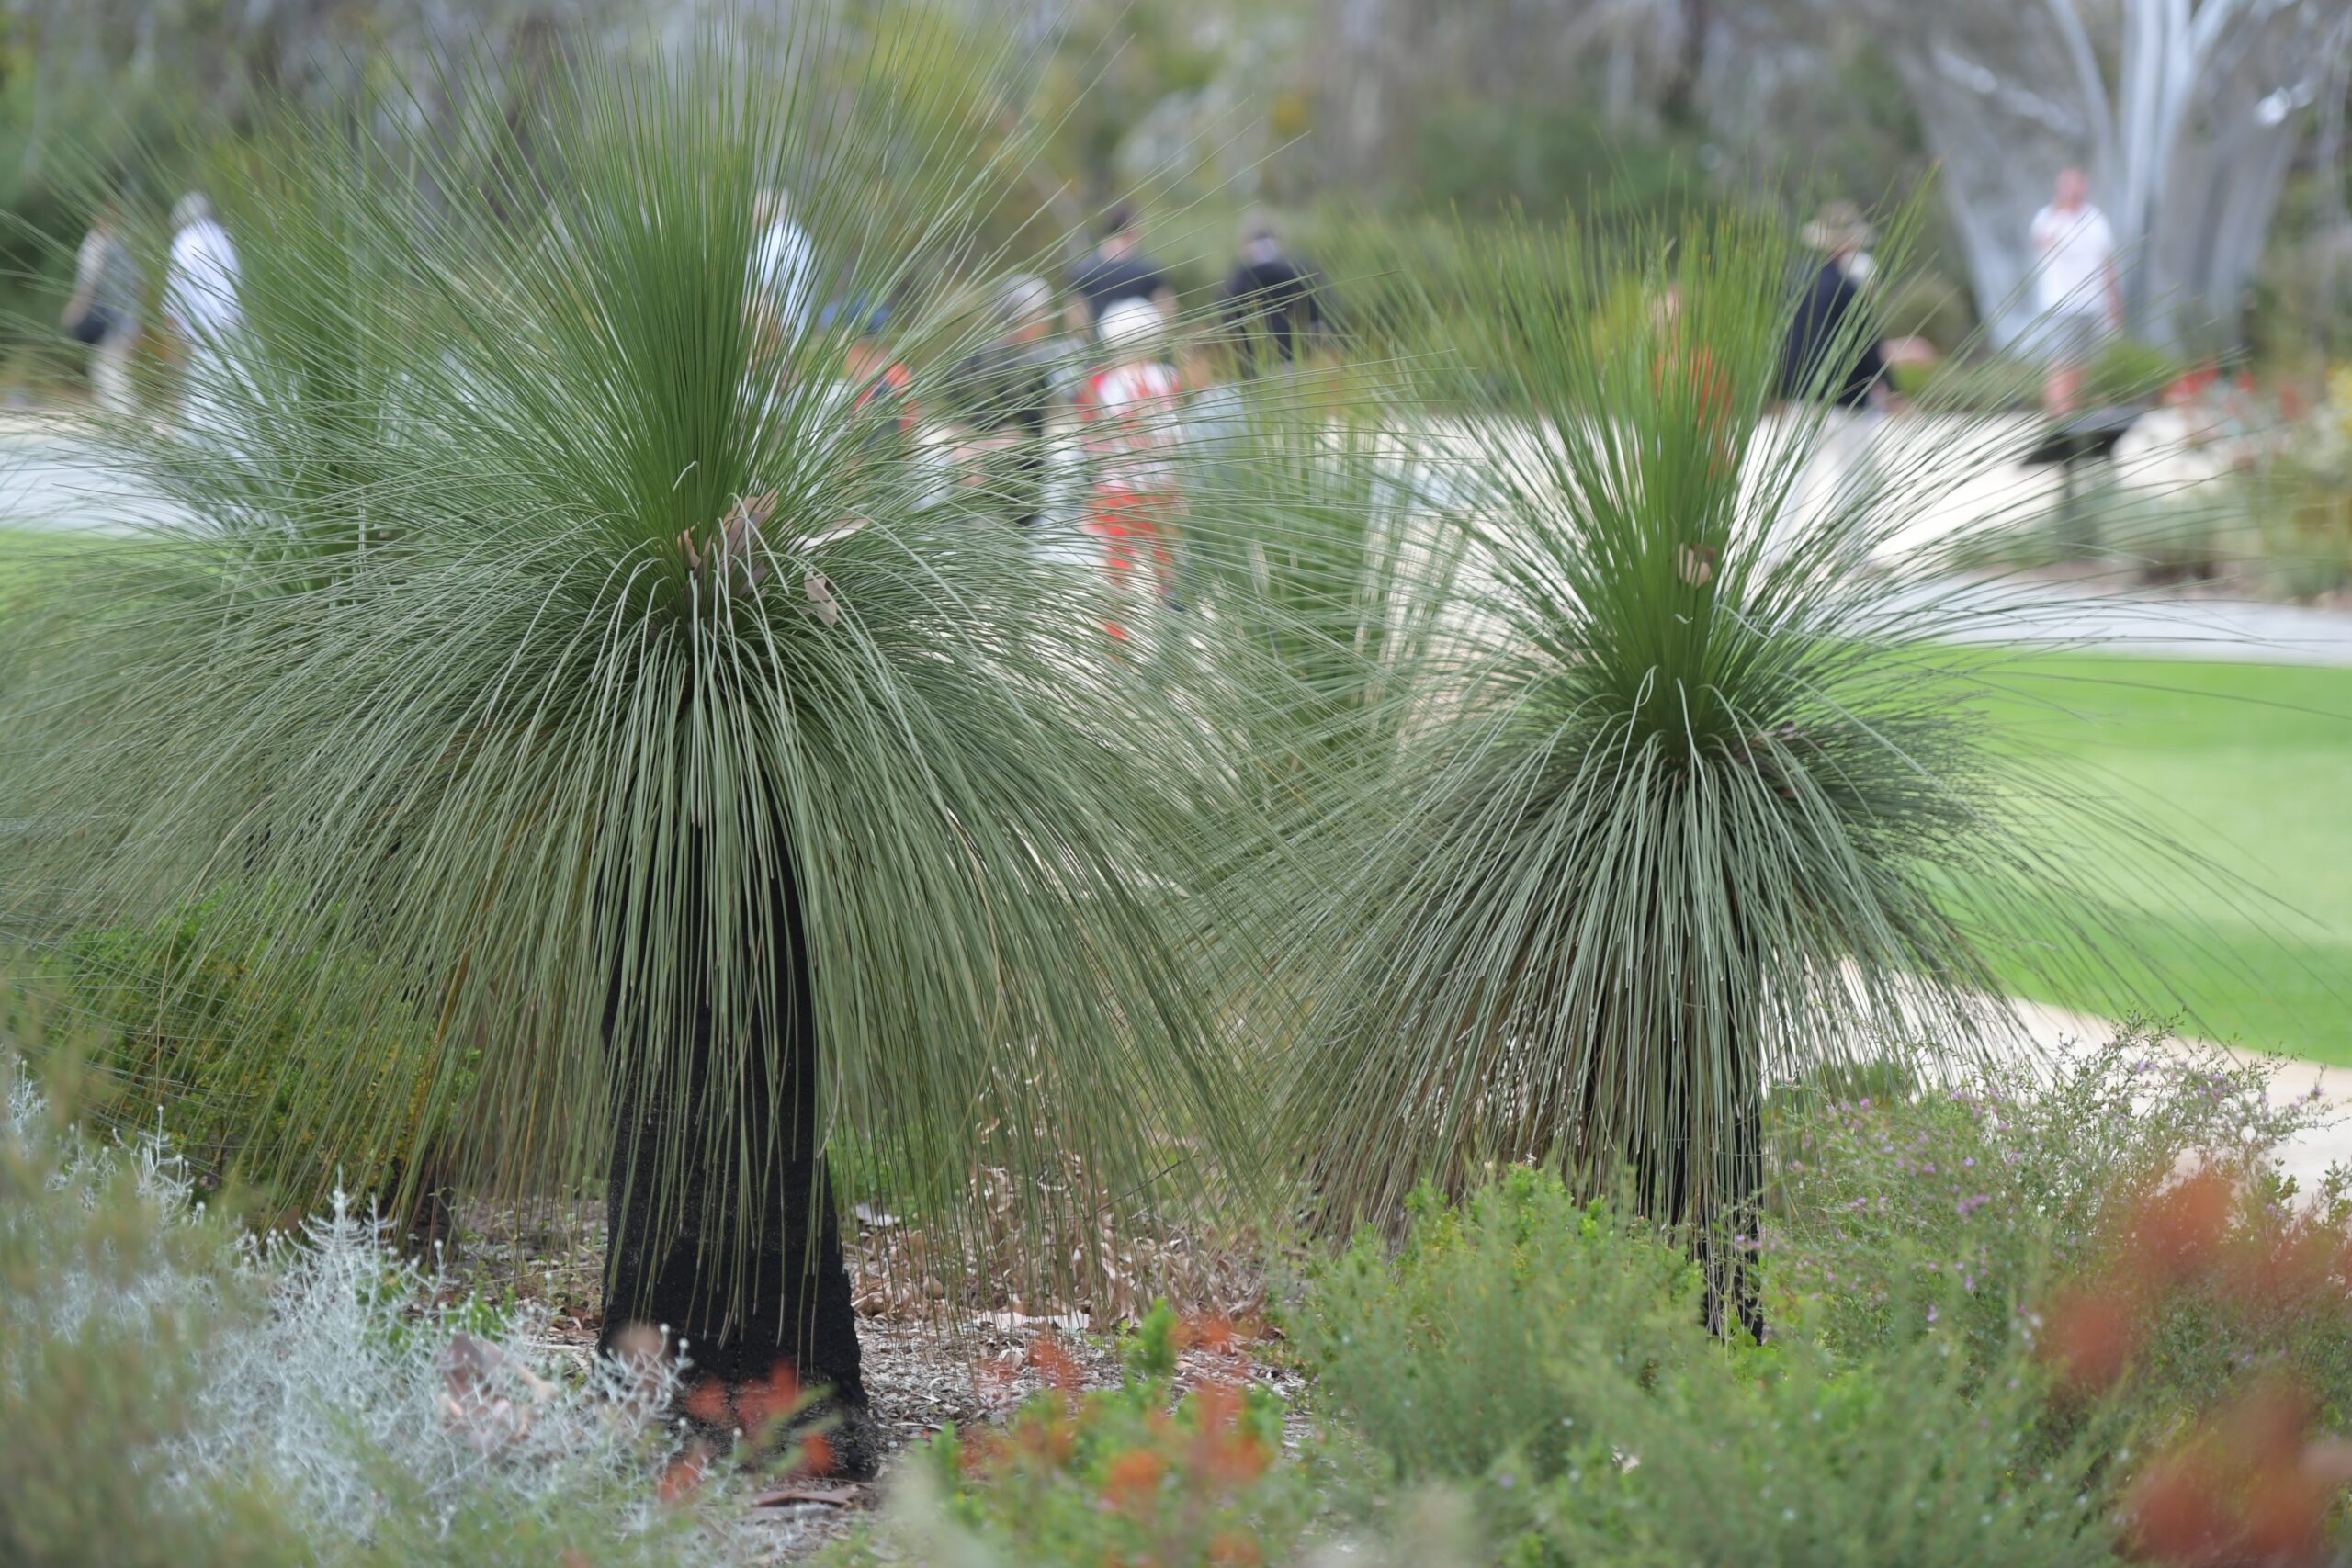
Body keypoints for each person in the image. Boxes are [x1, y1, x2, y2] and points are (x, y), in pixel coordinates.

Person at [1075, 299, 1184, 639]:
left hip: (1119, 488)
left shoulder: (1100, 383)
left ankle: (1115, 638)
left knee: (1118, 569)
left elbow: (1090, 439)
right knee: (1164, 566)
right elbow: (1178, 433)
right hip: (1161, 484)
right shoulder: (1169, 376)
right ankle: (1169, 634)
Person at [946, 275, 1060, 528]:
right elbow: (959, 420)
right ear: (1021, 317)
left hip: (1020, 491)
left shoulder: (1034, 362)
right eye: (1042, 313)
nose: (1048, 322)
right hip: (992, 487)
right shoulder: (985, 360)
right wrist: (974, 452)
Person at [2029, 168, 2122, 416]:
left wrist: (2114, 299)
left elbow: (2107, 261)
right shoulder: (2047, 218)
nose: (2076, 192)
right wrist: (2061, 210)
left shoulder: (2094, 218)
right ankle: (2058, 415)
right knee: (2061, 360)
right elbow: (2042, 240)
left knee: (2083, 360)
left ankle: (2075, 412)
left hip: (2092, 303)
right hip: (2061, 304)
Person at [1779, 201, 1889, 411]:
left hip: (1801, 396)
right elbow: (1865, 341)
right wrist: (1890, 387)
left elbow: (1788, 339)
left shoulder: (1799, 282)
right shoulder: (1845, 286)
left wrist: (1784, 388)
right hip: (1845, 398)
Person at [162, 193, 244, 436]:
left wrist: (174, 344)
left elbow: (174, 301)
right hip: (237, 331)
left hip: (204, 338)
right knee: (236, 407)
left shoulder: (185, 242)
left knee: (205, 411)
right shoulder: (225, 237)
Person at [62, 202, 140, 419]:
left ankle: (117, 419)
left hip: (105, 316)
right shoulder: (125, 244)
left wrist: (75, 310)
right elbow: (137, 284)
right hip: (127, 316)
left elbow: (89, 283)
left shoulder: (95, 244)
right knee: (119, 366)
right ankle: (124, 416)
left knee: (106, 368)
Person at [1218, 211, 1322, 373]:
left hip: (1254, 363)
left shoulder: (1240, 273)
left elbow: (1228, 317)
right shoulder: (1296, 268)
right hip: (1293, 359)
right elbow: (1316, 316)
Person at [1068, 202, 1172, 334]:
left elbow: (1075, 315)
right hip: (1142, 345)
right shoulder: (1146, 267)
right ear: (1131, 226)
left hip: (1099, 347)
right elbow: (1166, 305)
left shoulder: (1085, 268)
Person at [751, 187, 815, 345]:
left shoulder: (771, 239)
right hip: (798, 324)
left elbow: (758, 289)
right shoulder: (801, 235)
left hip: (774, 326)